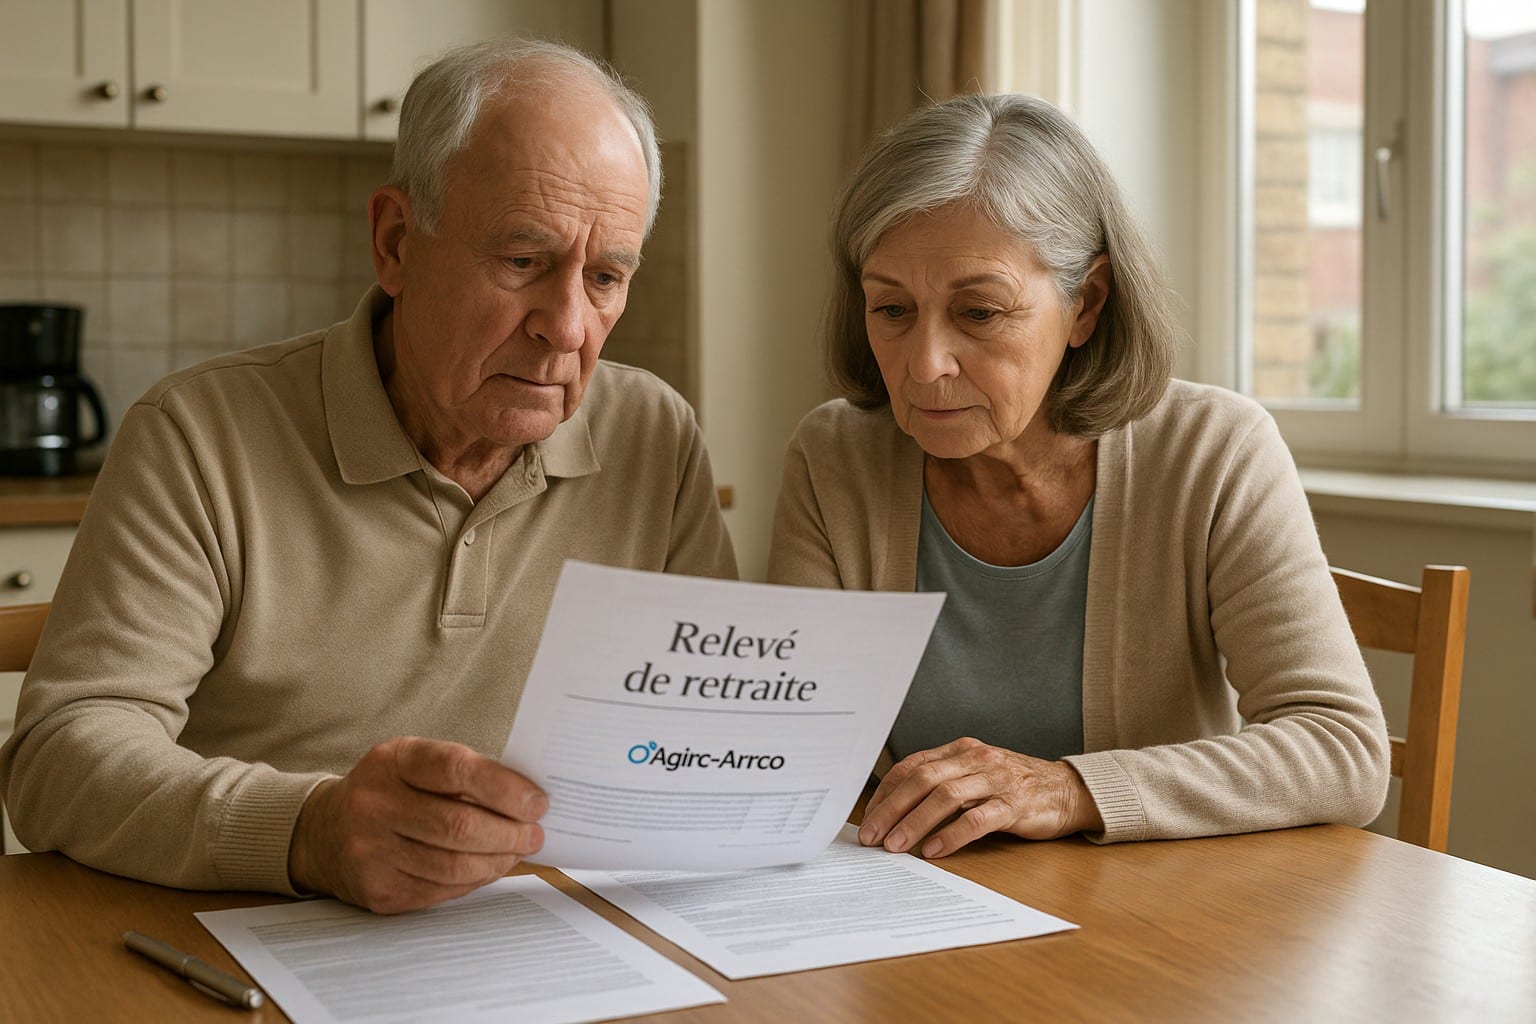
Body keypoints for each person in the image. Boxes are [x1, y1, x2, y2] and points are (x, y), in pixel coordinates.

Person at [0, 40, 735, 913]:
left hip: (543, 936)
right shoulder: (198, 436)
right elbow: (59, 758)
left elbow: (711, 731)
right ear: (395, 243)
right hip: (249, 941)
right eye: (522, 262)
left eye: (606, 277)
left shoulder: (654, 435)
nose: (568, 327)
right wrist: (307, 831)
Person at [768, 93, 1389, 859]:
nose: (925, 363)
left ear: (1086, 304)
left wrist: (1066, 789)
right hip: (915, 910)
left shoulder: (1215, 451)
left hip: (1155, 926)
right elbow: (793, 747)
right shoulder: (833, 458)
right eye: (892, 310)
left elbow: (1343, 751)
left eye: (981, 313)